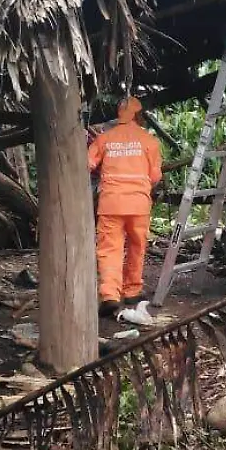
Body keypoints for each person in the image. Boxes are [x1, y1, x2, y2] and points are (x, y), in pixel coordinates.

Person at [88, 97, 162, 315]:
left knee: (110, 249)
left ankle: (110, 295)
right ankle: (132, 291)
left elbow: (86, 163)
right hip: (138, 204)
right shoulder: (149, 141)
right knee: (136, 248)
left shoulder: (105, 139)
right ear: (139, 115)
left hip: (111, 203)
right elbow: (155, 176)